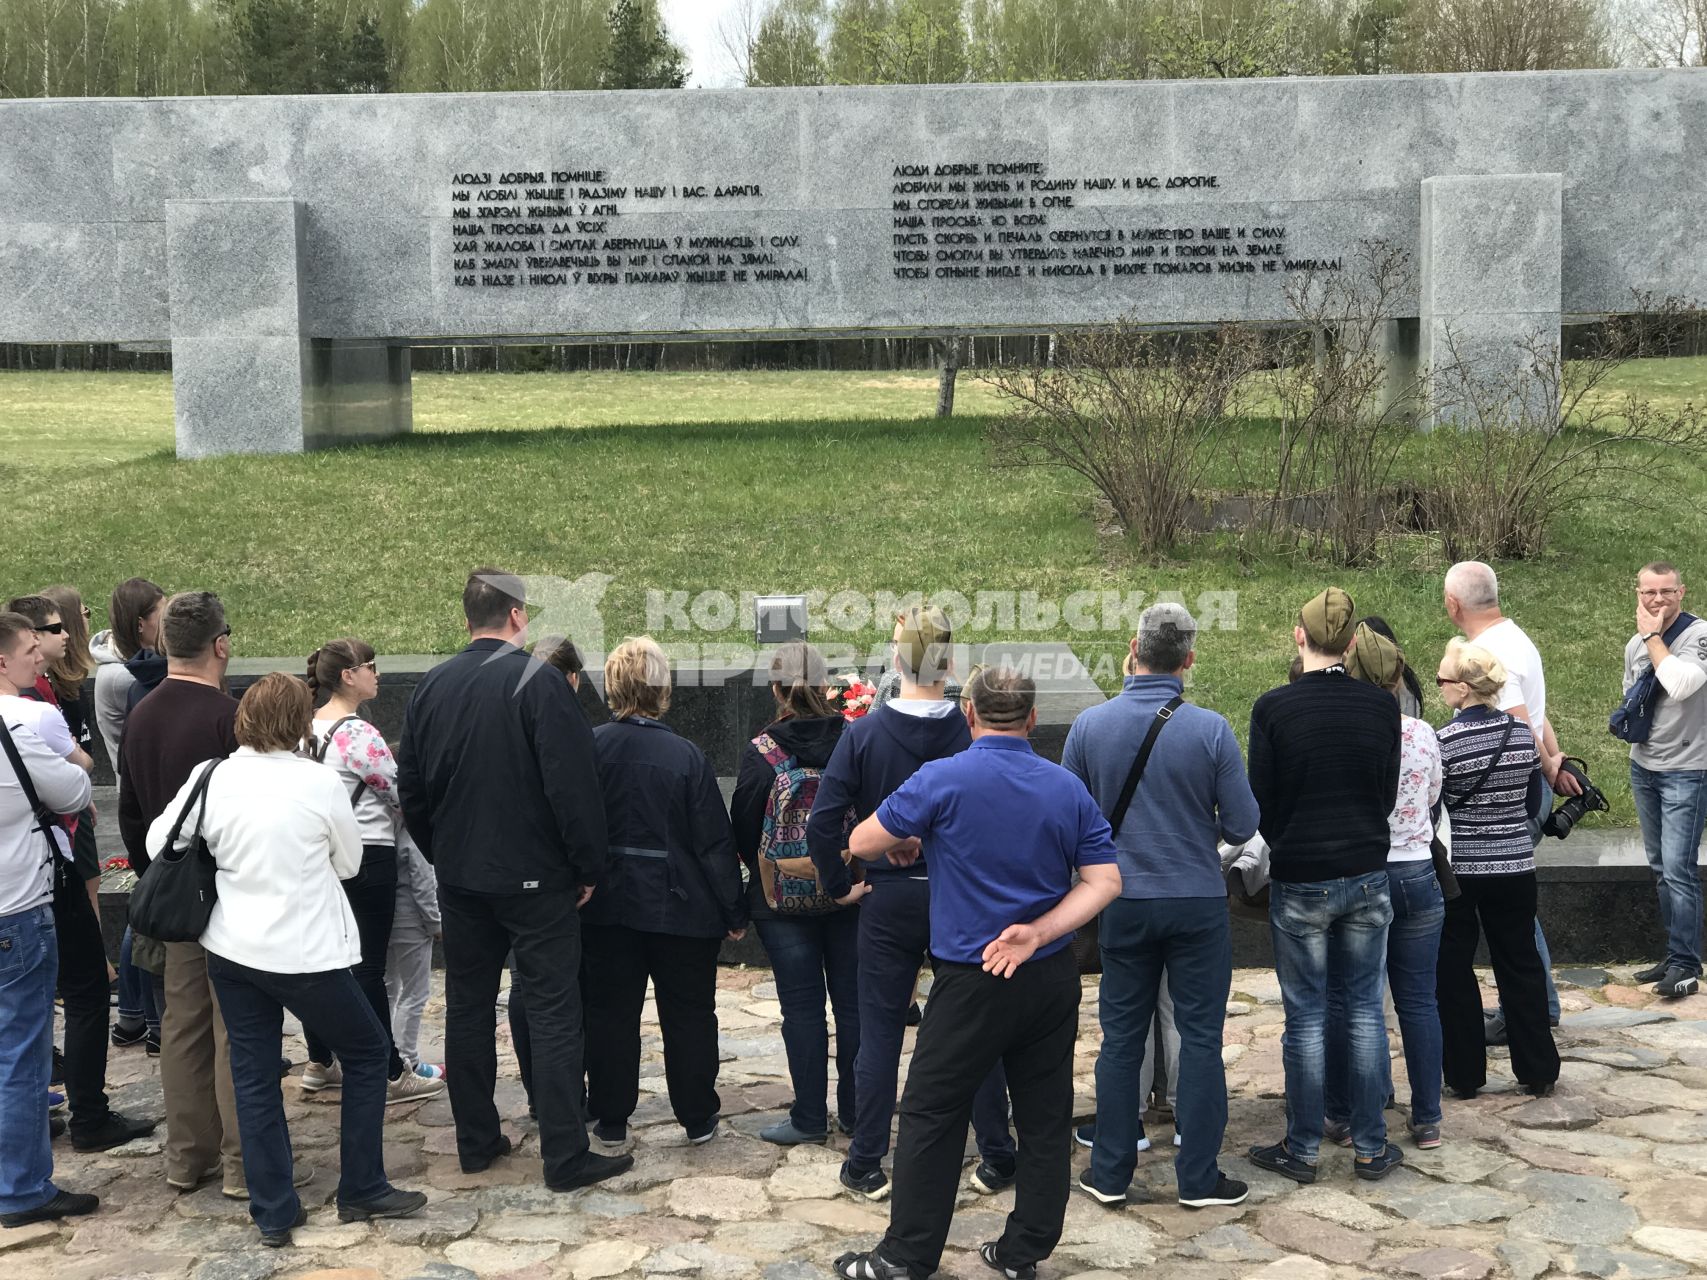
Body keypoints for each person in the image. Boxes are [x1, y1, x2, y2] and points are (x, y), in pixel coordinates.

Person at [830, 668, 1122, 1280]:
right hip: (1046, 974)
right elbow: (1105, 881)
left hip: (972, 978)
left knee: (932, 1113)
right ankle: (1023, 1252)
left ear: (969, 713)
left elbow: (858, 840)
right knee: (1044, 1117)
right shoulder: (1065, 788)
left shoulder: (942, 779)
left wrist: (906, 838)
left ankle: (906, 1256)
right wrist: (1041, 931)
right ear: (1033, 718)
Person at [147, 673, 427, 1247]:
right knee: (370, 1052)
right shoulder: (318, 782)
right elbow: (349, 863)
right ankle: (362, 1186)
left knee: (253, 1075)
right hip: (305, 948)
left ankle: (272, 1209)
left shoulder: (212, 775)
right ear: (300, 722)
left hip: (231, 946)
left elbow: (160, 843)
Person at [397, 568, 628, 1191]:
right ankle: (564, 1154)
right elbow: (572, 786)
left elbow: (409, 790)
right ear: (519, 616)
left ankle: (476, 1140)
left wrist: (443, 853)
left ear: (468, 618)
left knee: (469, 1007)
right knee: (553, 1010)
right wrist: (587, 867)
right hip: (536, 880)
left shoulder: (430, 687)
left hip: (464, 878)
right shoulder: (541, 684)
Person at [806, 605, 1016, 1202]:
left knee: (879, 1033)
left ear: (896, 661)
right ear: (949, 663)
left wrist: (838, 881)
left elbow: (825, 822)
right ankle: (999, 1153)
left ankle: (867, 1159)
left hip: (888, 897)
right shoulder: (970, 731)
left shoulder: (864, 734)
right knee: (976, 1030)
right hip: (962, 895)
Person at [1065, 603, 1258, 1211]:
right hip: (1196, 899)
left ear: (1133, 647)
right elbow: (1246, 822)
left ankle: (1111, 1170)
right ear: (1189, 661)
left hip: (1122, 897)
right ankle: (1198, 1178)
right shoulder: (1210, 729)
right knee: (1200, 1037)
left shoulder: (1090, 727)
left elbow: (1071, 818)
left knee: (1121, 1038)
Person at [1246, 588, 1404, 1185]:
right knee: (1364, 1010)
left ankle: (1304, 1146)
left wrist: (1290, 839)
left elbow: (1263, 805)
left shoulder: (1274, 709)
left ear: (1299, 636)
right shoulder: (1381, 708)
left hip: (1303, 875)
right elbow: (1384, 796)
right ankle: (1369, 1145)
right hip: (1366, 870)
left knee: (1306, 1015)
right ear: (1351, 644)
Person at [581, 636, 746, 1148]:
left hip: (606, 908)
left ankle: (611, 1115)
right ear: (662, 689)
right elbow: (713, 843)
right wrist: (733, 909)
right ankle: (697, 1114)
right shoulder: (685, 756)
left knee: (609, 1014)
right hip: (681, 908)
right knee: (690, 1015)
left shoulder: (590, 747)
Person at [4, 594, 152, 1154]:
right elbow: (75, 786)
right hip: (39, 884)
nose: (40, 653)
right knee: (82, 993)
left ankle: (32, 1122)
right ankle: (88, 1114)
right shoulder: (30, 716)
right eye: (29, 645)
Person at [117, 590, 246, 1196]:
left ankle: (187, 1157)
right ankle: (246, 1161)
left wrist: (158, 878)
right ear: (220, 644)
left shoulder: (141, 714)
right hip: (233, 895)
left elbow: (131, 812)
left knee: (184, 1024)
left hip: (172, 897)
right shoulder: (227, 717)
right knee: (238, 1028)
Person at [298, 639, 444, 1105]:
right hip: (369, 855)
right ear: (347, 676)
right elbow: (399, 793)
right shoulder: (357, 733)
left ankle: (322, 1059)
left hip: (323, 856)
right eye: (371, 667)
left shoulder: (307, 727)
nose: (377, 675)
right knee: (370, 968)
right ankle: (389, 1070)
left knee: (328, 960)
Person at [730, 640, 859, 1146]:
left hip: (780, 900)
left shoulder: (763, 753)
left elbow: (743, 823)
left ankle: (808, 1117)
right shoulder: (854, 740)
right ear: (828, 686)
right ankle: (853, 1111)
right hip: (849, 891)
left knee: (801, 1009)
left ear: (776, 688)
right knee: (852, 1007)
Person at [1327, 623, 1446, 1150]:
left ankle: (1366, 1106)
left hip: (1368, 871)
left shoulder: (1349, 733)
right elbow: (1435, 795)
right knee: (1419, 1000)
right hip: (1419, 871)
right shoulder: (1422, 734)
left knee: (1362, 1001)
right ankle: (1428, 1116)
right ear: (1400, 677)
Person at [0, 612, 101, 1228]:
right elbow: (74, 790)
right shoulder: (17, 727)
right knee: (20, 1053)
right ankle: (20, 1189)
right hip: (15, 907)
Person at [1443, 561, 1572, 1035]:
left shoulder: (1483, 650)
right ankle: (1536, 1006)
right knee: (1515, 910)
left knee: (1511, 917)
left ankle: (1534, 1009)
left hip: (1512, 792)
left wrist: (1545, 765)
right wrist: (1554, 760)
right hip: (1530, 783)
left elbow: (1517, 722)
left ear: (1453, 604)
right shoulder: (1517, 637)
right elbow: (1536, 714)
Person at [1434, 639, 1560, 1097]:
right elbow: (1531, 803)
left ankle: (1465, 1074)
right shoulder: (1521, 735)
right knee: (1520, 962)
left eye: (1444, 681)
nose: (1441, 688)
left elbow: (1437, 806)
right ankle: (1538, 1068)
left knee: (1453, 967)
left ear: (1465, 689)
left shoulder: (1443, 742)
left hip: (1462, 871)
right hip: (1515, 867)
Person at [1623, 562, 1707, 998]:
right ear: (1637, 593)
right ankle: (1674, 954)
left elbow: (1681, 684)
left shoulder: (1699, 636)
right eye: (1648, 592)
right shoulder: (1634, 645)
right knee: (1660, 870)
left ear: (1682, 592)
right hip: (1645, 768)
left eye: (1666, 592)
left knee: (1679, 871)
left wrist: (1653, 637)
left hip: (1688, 771)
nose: (1657, 600)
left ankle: (1687, 965)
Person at [92, 577, 168, 1053]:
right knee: (147, 913)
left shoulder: (119, 670)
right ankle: (142, 1016)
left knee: (146, 907)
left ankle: (134, 1016)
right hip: (144, 795)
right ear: (142, 623)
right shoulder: (128, 677)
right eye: (161, 613)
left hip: (135, 792)